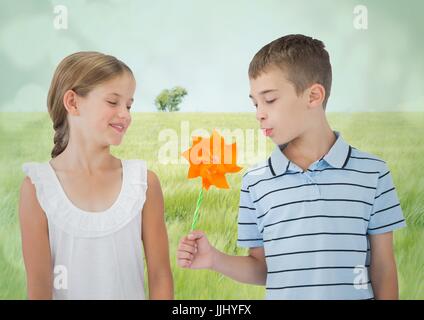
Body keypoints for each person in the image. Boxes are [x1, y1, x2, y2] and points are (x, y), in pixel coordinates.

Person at [177, 34, 406, 300]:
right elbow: (263, 268)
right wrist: (214, 259)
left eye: (270, 100)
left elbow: (384, 268)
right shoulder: (255, 182)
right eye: (255, 103)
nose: (259, 113)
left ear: (313, 96)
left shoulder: (372, 173)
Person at [19, 51, 173, 299]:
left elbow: (160, 275)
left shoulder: (143, 182)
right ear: (73, 103)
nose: (125, 114)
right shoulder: (38, 187)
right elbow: (38, 287)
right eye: (113, 102)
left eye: (129, 105)